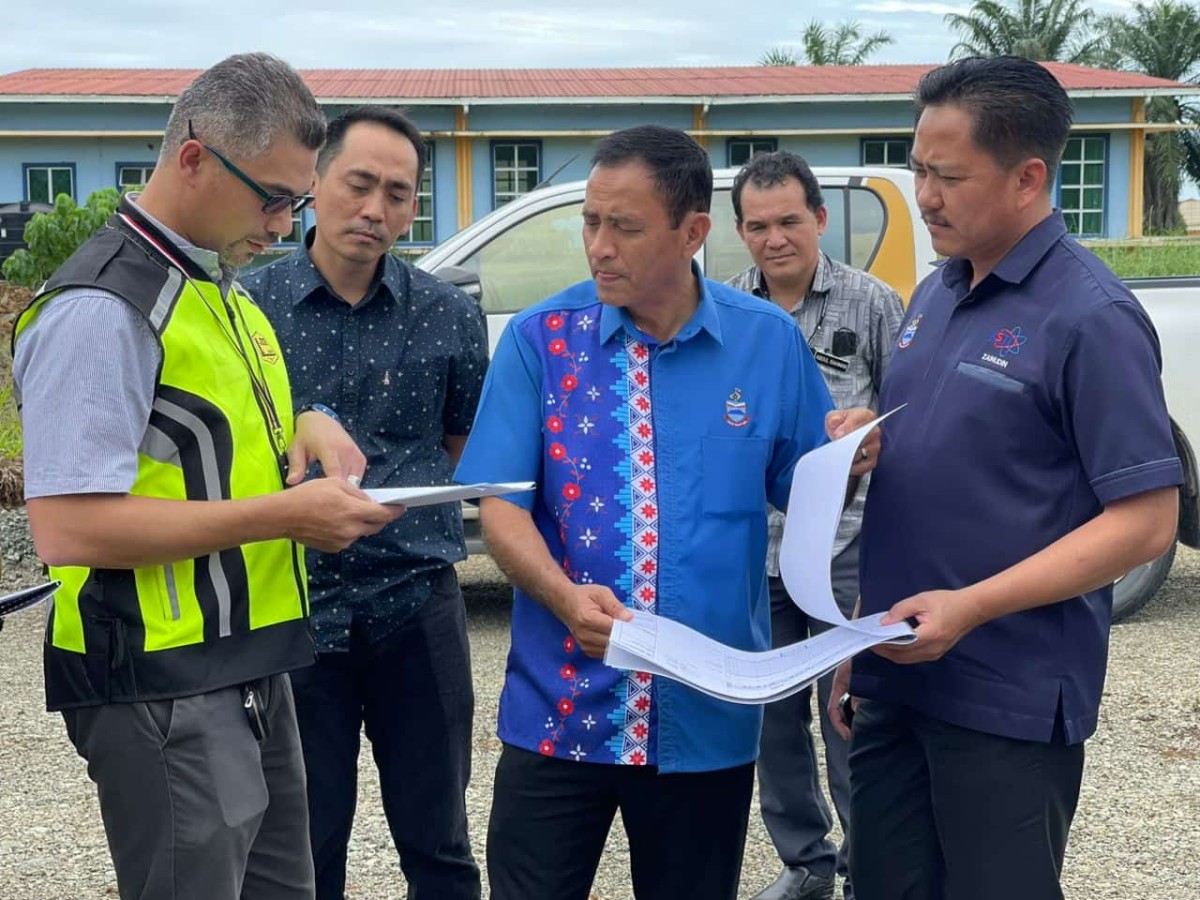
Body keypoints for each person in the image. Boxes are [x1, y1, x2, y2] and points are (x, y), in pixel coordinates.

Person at [11, 53, 404, 900]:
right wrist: (285, 517)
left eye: (298, 202)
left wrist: (305, 422)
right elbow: (69, 528)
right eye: (272, 198)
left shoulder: (219, 288)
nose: (285, 224)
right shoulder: (103, 307)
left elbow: (196, 443)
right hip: (160, 679)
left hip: (247, 664)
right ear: (193, 158)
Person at [455, 124, 880, 900]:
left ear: (692, 233)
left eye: (624, 227)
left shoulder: (766, 344)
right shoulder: (539, 341)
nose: (599, 247)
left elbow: (809, 499)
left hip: (705, 718)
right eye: (590, 222)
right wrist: (562, 596)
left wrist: (850, 463)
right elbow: (501, 507)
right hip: (559, 710)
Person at [828, 56, 1182, 900]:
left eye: (947, 177)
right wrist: (858, 637)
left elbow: (1144, 522)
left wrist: (974, 606)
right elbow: (939, 471)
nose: (925, 196)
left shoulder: (1091, 317)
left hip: (1004, 696)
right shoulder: (935, 293)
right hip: (897, 670)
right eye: (917, 169)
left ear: (1028, 177)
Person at [242, 106, 487, 900]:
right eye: (359, 184)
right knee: (301, 847)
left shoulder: (449, 315)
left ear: (414, 207)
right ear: (314, 184)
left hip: (416, 605)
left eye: (398, 193)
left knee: (439, 840)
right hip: (292, 609)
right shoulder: (247, 308)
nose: (375, 209)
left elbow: (460, 445)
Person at [727, 151, 904, 900]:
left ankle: (868, 866)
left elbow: (909, 416)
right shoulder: (726, 311)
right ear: (740, 231)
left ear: (820, 219)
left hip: (846, 547)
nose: (775, 239)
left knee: (850, 714)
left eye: (790, 221)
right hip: (757, 549)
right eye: (758, 225)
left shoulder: (873, 304)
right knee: (771, 718)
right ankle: (806, 862)